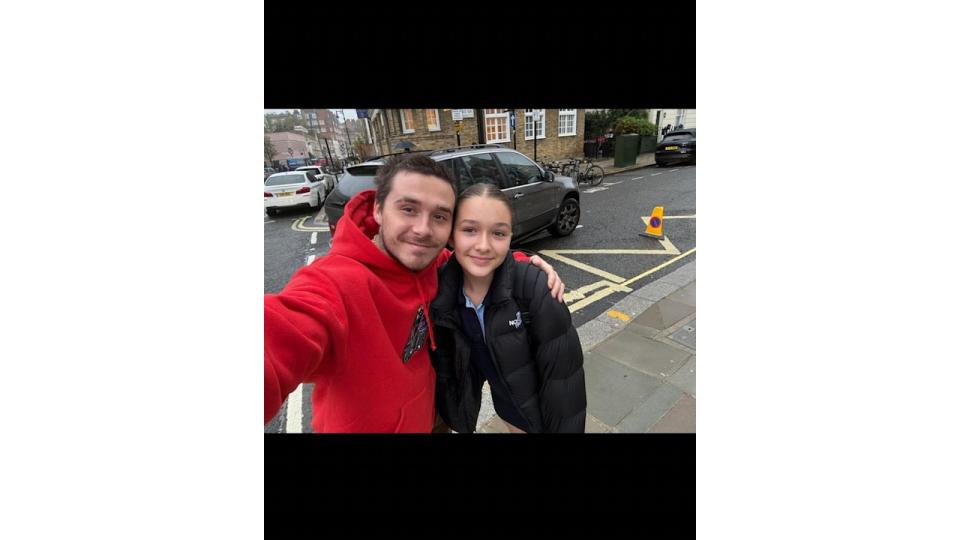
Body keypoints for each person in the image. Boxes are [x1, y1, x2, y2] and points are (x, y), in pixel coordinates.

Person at [264, 154, 565, 433]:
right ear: (378, 210)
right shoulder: (334, 284)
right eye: (408, 209)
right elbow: (279, 334)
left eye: (439, 216)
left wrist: (525, 268)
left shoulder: (436, 264)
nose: (423, 229)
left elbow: (476, 263)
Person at [430, 183, 586, 434]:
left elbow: (565, 382)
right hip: (511, 411)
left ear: (511, 236)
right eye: (469, 230)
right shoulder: (443, 293)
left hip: (544, 416)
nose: (483, 245)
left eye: (498, 234)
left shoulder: (537, 288)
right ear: (451, 236)